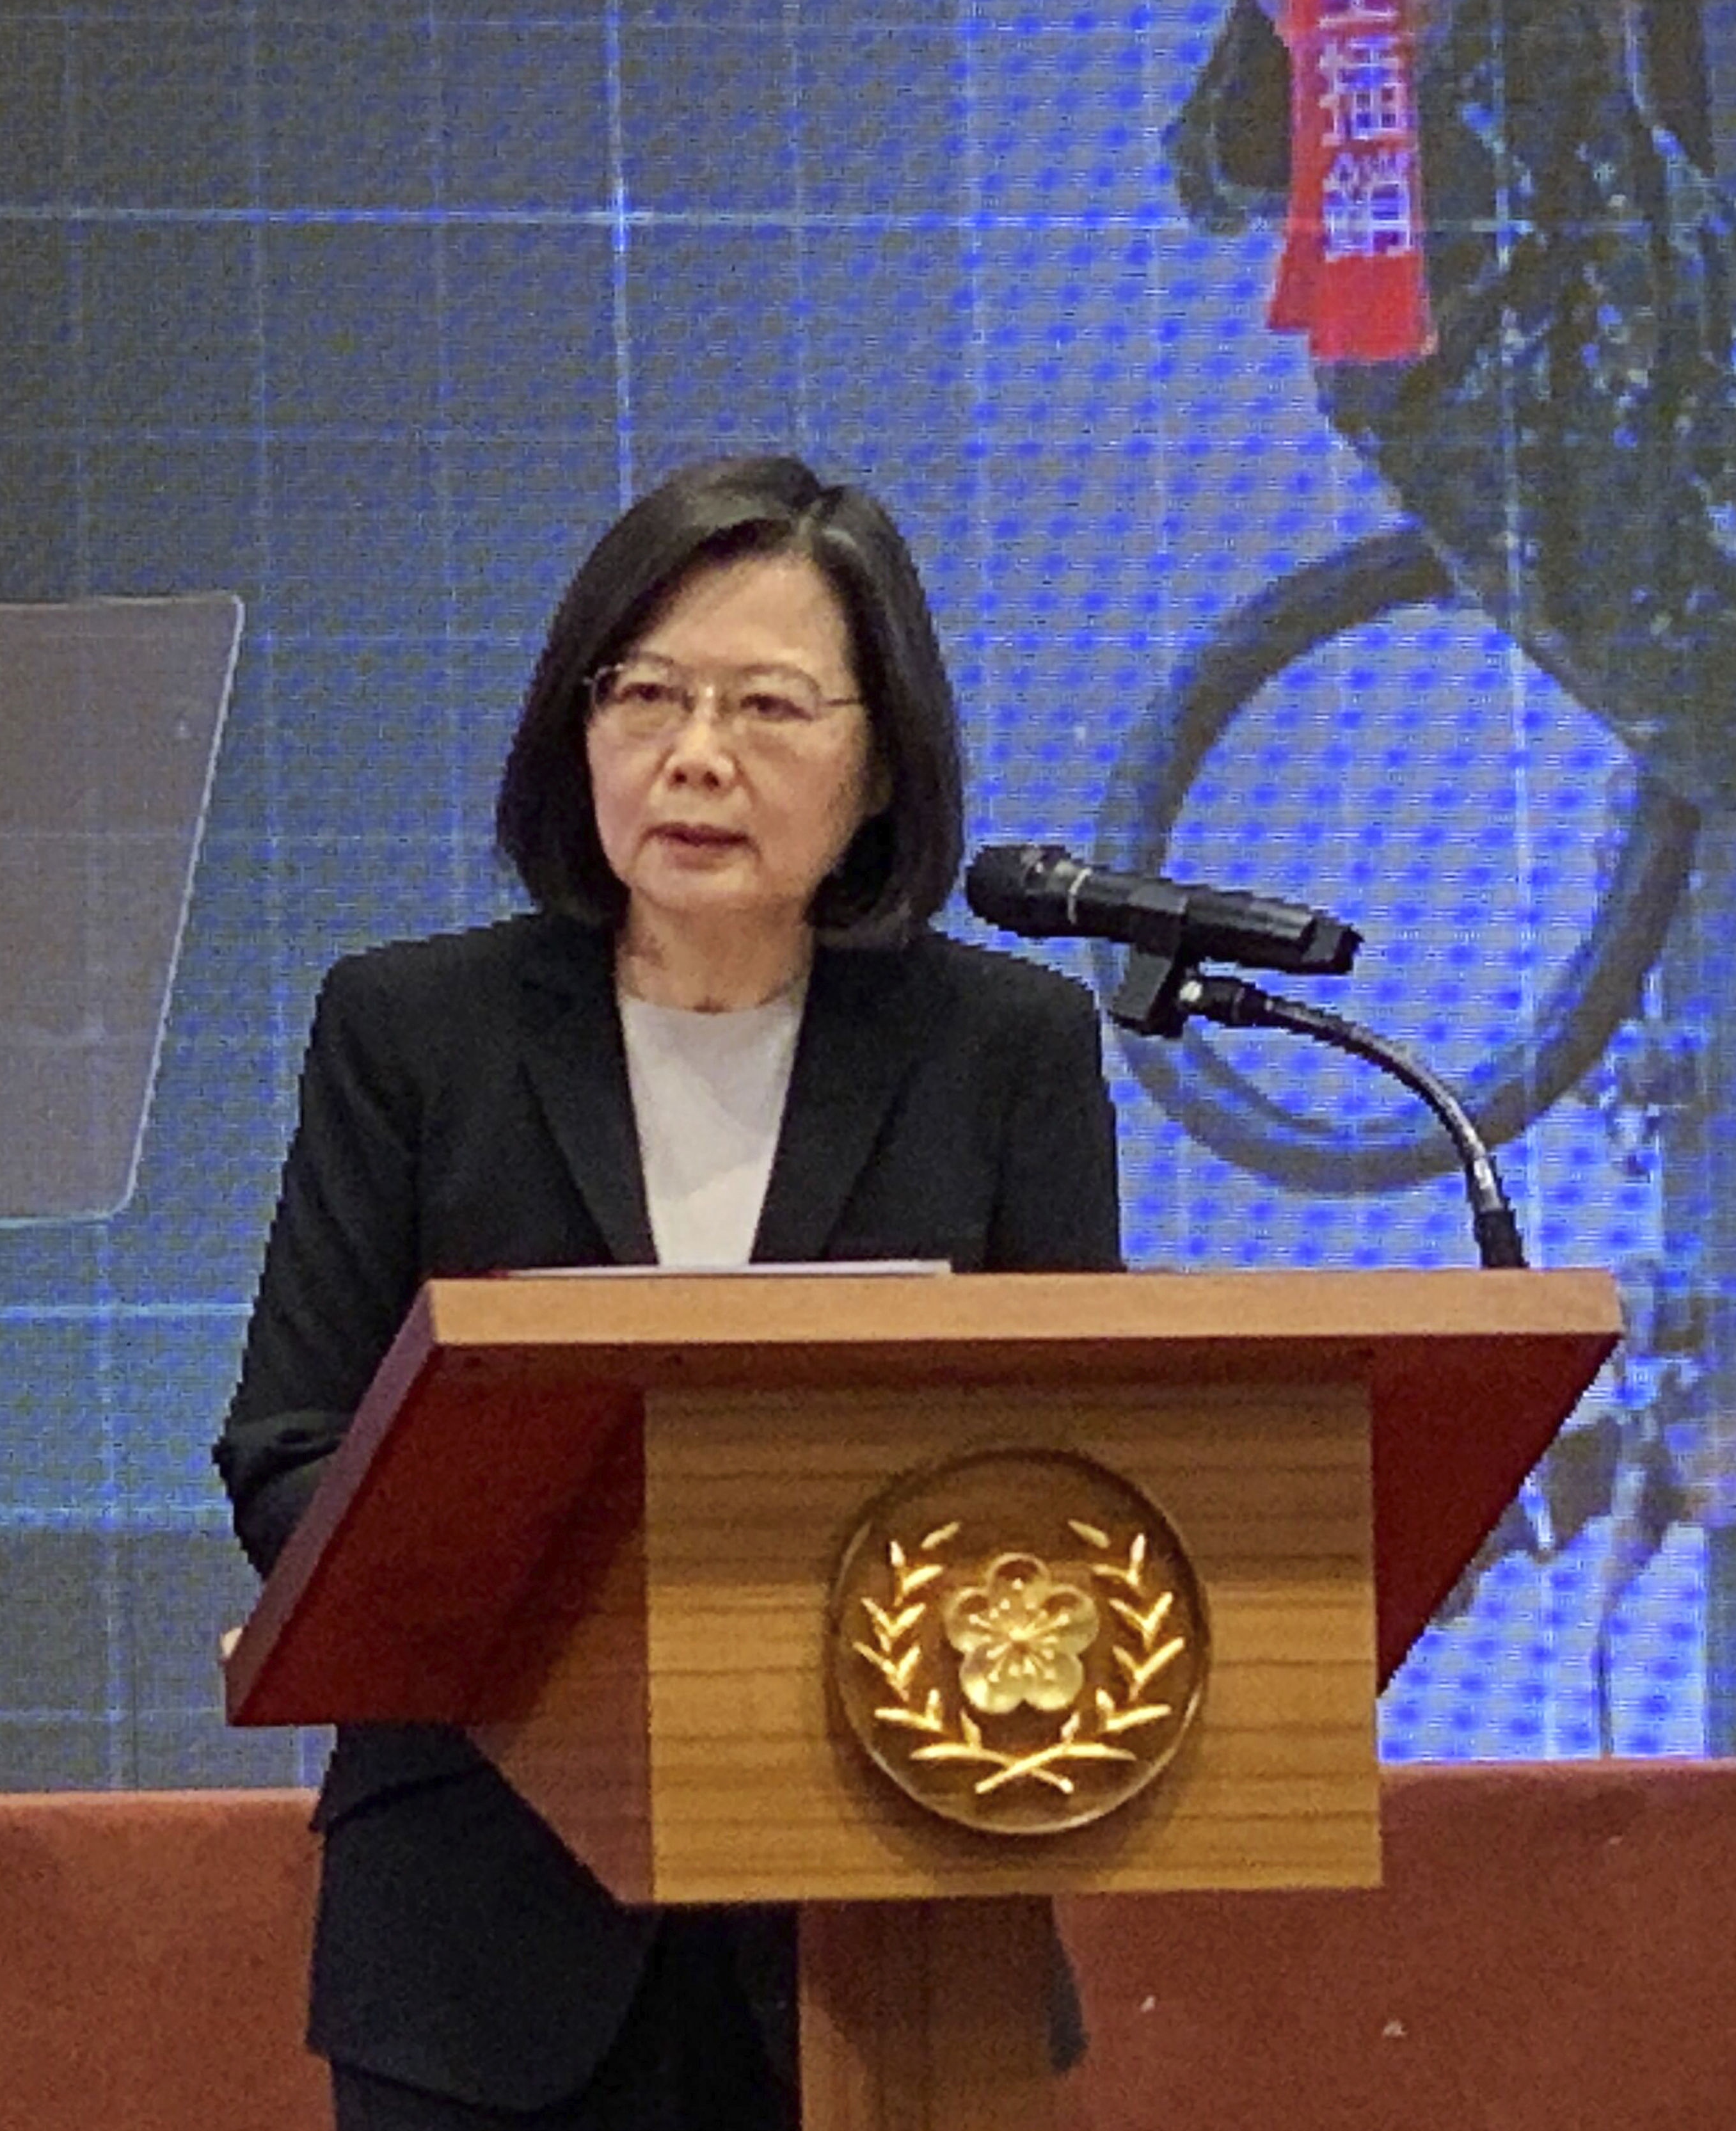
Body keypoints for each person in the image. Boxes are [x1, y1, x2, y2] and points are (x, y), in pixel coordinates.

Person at [212, 454, 1124, 2130]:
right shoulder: (416, 1034)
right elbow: (289, 1451)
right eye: (646, 694)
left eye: (770, 705)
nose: (697, 755)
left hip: (892, 1938)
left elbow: (1066, 1483)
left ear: (880, 763)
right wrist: (578, 1636)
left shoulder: (1006, 1052)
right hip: (487, 1937)